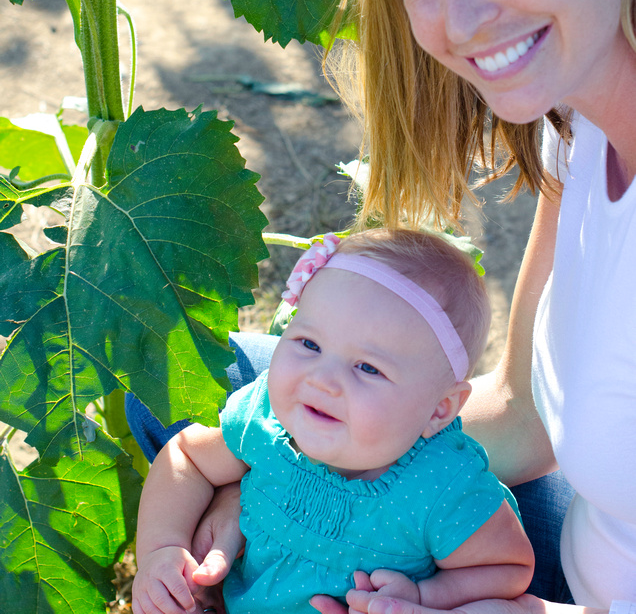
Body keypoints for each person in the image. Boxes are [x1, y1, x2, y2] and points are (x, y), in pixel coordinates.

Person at [127, 0, 636, 612]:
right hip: (579, 525)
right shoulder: (581, 132)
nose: (464, 16)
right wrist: (291, 491)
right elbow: (520, 414)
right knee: (197, 377)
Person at [131, 229, 534, 614]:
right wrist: (162, 548)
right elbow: (187, 457)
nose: (322, 380)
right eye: (309, 343)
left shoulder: (442, 486)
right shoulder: (267, 418)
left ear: (439, 409)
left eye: (367, 368)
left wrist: (426, 597)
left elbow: (506, 567)